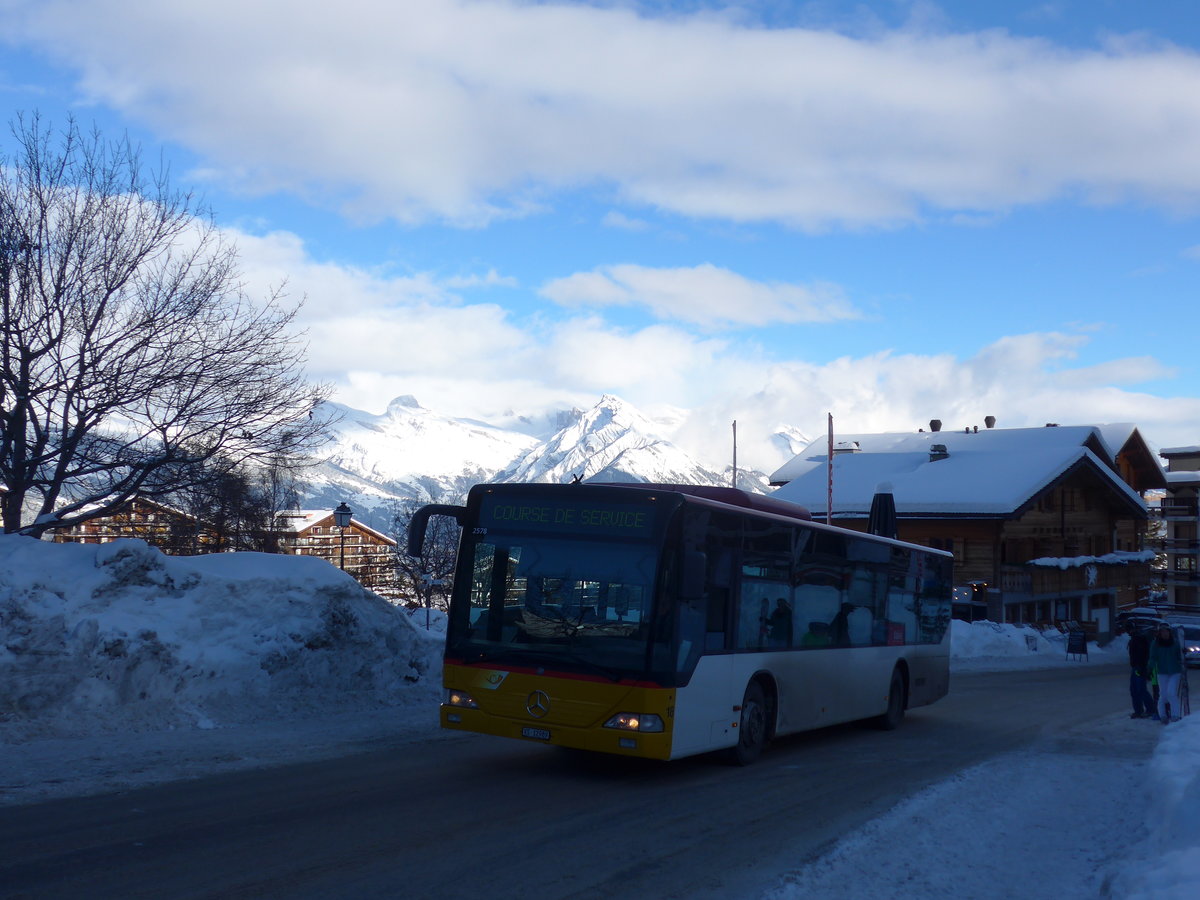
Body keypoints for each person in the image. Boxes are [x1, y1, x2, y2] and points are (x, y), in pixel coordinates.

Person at [1149, 623, 1185, 724]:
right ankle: (1163, 715)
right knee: (1163, 695)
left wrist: (1183, 653)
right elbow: (1153, 657)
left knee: (1171, 693)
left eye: (1166, 631)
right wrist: (1149, 668)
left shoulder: (1175, 643)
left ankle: (1175, 715)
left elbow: (1180, 655)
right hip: (1162, 672)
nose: (1164, 633)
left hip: (1175, 671)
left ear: (1169, 632)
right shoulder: (1155, 644)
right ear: (1159, 633)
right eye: (1162, 632)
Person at [1127, 626, 1155, 719]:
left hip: (1140, 668)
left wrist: (1144, 669)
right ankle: (1139, 711)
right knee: (1135, 690)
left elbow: (1143, 655)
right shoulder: (1136, 639)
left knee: (1140, 690)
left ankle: (1149, 710)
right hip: (1136, 667)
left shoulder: (1139, 639)